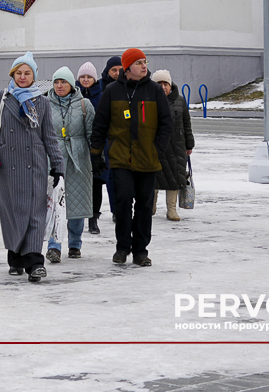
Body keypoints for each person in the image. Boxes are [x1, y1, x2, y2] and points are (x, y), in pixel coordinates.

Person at [0, 51, 64, 282]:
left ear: (34, 76)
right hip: (8, 166)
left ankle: (35, 262)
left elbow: (50, 137)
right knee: (13, 213)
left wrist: (58, 167)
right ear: (12, 74)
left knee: (35, 214)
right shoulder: (2, 97)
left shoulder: (43, 101)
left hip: (35, 166)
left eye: (27, 73)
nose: (22, 77)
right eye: (18, 73)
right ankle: (15, 257)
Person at [91, 48, 171, 268]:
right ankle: (122, 247)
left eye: (144, 62)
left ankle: (141, 250)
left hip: (148, 159)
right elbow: (100, 125)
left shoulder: (154, 91)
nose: (143, 66)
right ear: (127, 68)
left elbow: (166, 124)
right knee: (123, 202)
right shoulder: (112, 91)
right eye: (138, 63)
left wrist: (157, 149)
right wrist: (96, 154)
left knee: (145, 206)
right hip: (120, 159)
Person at [45, 67, 94, 262]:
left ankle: (75, 244)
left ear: (71, 84)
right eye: (56, 82)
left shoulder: (84, 104)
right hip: (53, 158)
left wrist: (96, 158)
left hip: (78, 159)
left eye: (63, 82)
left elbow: (91, 133)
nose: (59, 86)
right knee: (54, 203)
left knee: (76, 202)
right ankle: (53, 246)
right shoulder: (45, 104)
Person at [151, 70, 195, 221]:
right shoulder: (149, 100)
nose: (163, 87)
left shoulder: (180, 101)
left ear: (170, 85)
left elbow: (186, 124)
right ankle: (151, 206)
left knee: (174, 179)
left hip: (176, 146)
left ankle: (172, 209)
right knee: (153, 177)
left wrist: (189, 143)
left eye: (165, 84)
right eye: (159, 84)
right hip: (155, 145)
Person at [77, 60, 105, 235]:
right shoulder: (73, 94)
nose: (86, 80)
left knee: (96, 183)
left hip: (97, 145)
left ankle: (93, 219)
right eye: (83, 77)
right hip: (78, 144)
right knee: (78, 183)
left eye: (89, 77)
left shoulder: (102, 95)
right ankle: (77, 218)